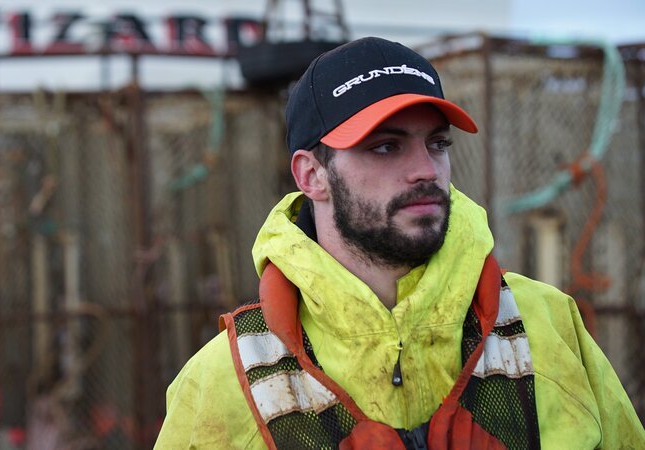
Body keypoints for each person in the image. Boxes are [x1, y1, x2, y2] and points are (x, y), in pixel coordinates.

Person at [154, 37, 645, 449]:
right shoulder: (226, 380)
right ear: (312, 175)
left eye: (437, 143)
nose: (427, 171)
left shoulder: (548, 324)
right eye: (385, 146)